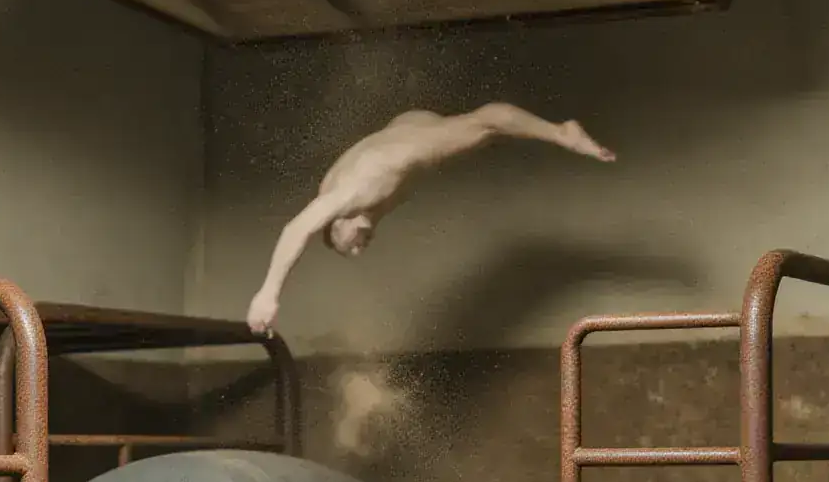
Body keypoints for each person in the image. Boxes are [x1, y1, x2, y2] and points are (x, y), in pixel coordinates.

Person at [246, 104, 616, 333]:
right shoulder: (354, 202)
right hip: (405, 125)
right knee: (475, 134)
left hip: (407, 147)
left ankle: (561, 132)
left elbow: (295, 229)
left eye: (347, 248)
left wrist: (268, 294)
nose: (358, 251)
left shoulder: (345, 200)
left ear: (338, 225)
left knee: (487, 124)